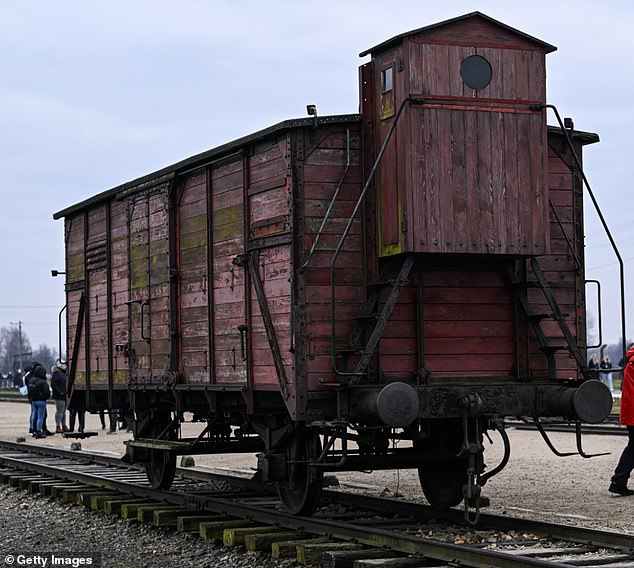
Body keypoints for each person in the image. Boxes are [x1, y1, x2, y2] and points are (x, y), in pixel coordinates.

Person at [609, 344, 634, 495]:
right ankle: (618, 480)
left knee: (633, 447)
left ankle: (619, 481)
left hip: (631, 411)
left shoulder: (631, 360)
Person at [27, 365, 51, 439]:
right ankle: (38, 431)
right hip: (41, 401)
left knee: (34, 415)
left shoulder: (31, 380)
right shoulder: (43, 382)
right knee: (41, 417)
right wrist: (45, 397)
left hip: (33, 400)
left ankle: (33, 430)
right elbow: (47, 392)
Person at [50, 361, 68, 433]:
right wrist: (60, 392)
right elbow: (54, 385)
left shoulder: (65, 373)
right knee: (60, 411)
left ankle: (64, 425)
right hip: (59, 396)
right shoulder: (56, 374)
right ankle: (58, 426)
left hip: (65, 395)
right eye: (64, 364)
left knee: (63, 412)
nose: (65, 365)